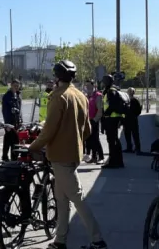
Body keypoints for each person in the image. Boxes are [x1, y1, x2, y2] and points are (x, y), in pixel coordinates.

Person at [27, 60, 107, 249]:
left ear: (57, 76)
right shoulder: (80, 95)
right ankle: (60, 240)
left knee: (77, 198)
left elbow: (49, 130)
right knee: (61, 199)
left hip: (60, 156)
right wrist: (74, 139)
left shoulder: (58, 97)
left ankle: (98, 240)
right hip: (74, 154)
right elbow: (87, 129)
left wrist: (34, 146)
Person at [101, 75, 125, 168]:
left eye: (104, 81)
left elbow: (112, 105)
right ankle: (118, 161)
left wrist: (106, 114)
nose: (103, 82)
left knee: (112, 141)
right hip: (113, 118)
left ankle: (113, 162)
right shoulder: (111, 90)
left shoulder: (111, 91)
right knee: (115, 140)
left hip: (111, 119)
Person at [1, 79, 23, 161]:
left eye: (18, 86)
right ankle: (6, 157)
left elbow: (19, 111)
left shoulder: (18, 96)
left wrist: (21, 121)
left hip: (16, 123)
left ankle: (13, 158)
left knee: (14, 141)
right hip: (9, 123)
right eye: (15, 86)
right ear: (11, 86)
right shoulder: (7, 96)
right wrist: (7, 124)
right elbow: (5, 111)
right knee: (9, 141)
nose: (16, 87)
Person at [84, 79, 104, 164]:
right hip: (87, 120)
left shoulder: (98, 95)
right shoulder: (86, 96)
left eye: (89, 85)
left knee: (95, 139)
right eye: (86, 85)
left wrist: (95, 120)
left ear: (93, 86)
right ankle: (94, 157)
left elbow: (100, 110)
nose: (88, 87)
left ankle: (101, 157)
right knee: (89, 140)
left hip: (94, 120)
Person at [123, 87, 143, 153]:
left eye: (130, 91)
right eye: (129, 91)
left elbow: (138, 111)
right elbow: (139, 111)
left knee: (134, 135)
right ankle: (132, 148)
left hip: (131, 119)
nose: (129, 92)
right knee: (129, 134)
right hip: (128, 120)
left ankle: (136, 148)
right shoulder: (127, 101)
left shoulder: (132, 101)